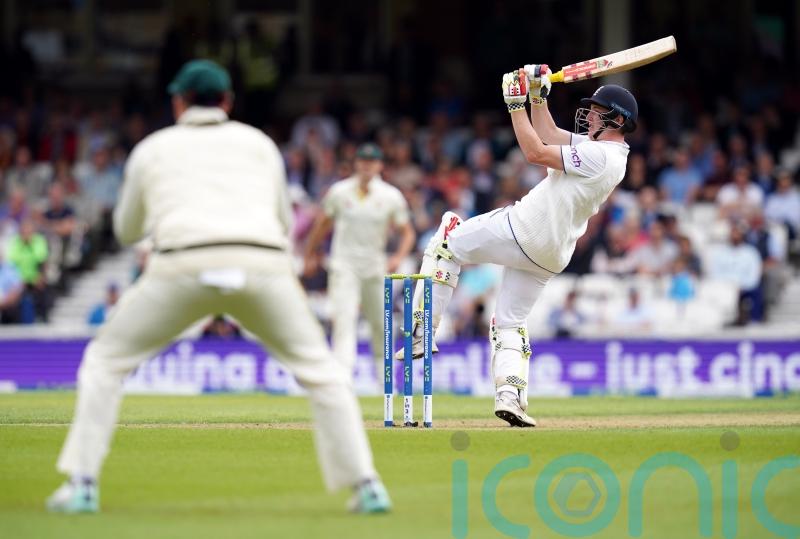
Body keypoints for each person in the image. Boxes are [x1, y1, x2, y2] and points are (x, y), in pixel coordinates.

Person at [46, 59, 390, 515]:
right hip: (261, 263)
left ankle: (83, 484)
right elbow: (283, 221)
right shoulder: (260, 144)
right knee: (323, 372)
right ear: (227, 101)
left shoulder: (152, 148)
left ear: (178, 102)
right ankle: (367, 485)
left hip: (181, 263)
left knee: (105, 362)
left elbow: (127, 231)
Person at [402, 66, 637, 427]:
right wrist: (538, 96)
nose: (589, 116)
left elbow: (535, 151)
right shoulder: (607, 153)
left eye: (597, 111)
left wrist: (514, 104)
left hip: (525, 229)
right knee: (510, 322)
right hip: (551, 254)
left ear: (617, 120)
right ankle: (511, 396)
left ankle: (422, 331)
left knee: (447, 239)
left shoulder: (600, 157)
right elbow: (549, 134)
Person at [303, 143, 415, 378]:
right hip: (344, 265)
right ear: (355, 164)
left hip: (375, 267)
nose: (367, 166)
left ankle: (385, 380)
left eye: (372, 162)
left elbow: (407, 233)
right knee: (344, 319)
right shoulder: (339, 192)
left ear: (380, 165)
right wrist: (309, 254)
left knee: (380, 323)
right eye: (363, 161)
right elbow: (322, 225)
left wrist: (398, 257)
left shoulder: (390, 196)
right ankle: (343, 378)